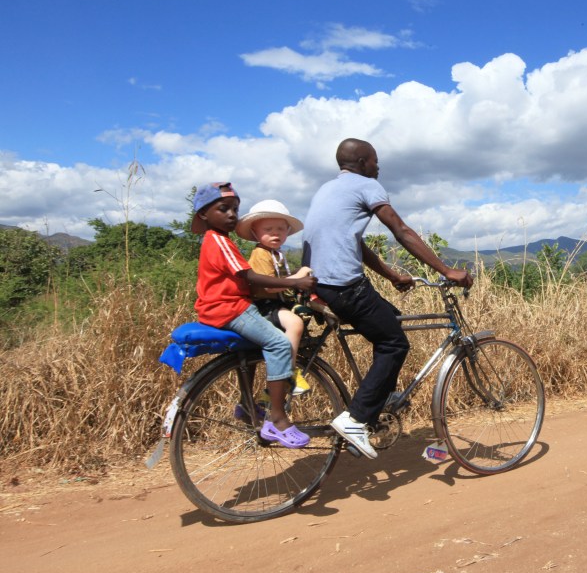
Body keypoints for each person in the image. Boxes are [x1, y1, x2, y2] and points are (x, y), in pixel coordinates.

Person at [302, 138, 473, 459]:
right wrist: (446, 269)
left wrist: (392, 276)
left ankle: (375, 403)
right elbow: (401, 229)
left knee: (390, 319)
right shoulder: (366, 185)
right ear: (364, 162)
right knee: (395, 344)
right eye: (376, 161)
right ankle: (356, 419)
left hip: (320, 284)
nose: (379, 167)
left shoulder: (328, 189)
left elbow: (356, 246)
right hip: (344, 286)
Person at [191, 182, 317, 448]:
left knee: (256, 349)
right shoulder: (220, 241)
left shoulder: (218, 240)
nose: (231, 215)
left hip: (225, 307)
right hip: (230, 308)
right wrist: (295, 283)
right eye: (223, 209)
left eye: (235, 209)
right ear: (204, 214)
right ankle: (278, 419)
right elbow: (248, 276)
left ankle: (248, 405)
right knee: (280, 343)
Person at [236, 199, 314, 396]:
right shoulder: (261, 254)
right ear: (255, 232)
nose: (275, 233)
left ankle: (268, 396)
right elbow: (270, 286)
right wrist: (298, 276)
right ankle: (289, 374)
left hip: (274, 304)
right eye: (268, 229)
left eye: (281, 229)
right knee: (295, 324)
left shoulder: (276, 254)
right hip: (264, 305)